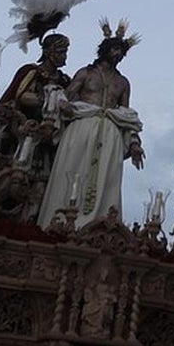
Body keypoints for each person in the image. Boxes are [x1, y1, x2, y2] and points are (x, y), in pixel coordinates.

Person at [37, 21, 143, 229]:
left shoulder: (123, 83)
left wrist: (134, 144)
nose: (118, 54)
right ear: (104, 50)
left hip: (110, 134)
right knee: (71, 170)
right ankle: (58, 223)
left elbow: (126, 116)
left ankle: (101, 227)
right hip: (81, 128)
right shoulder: (86, 73)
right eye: (114, 49)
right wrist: (64, 105)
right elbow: (62, 97)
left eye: (121, 51)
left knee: (107, 181)